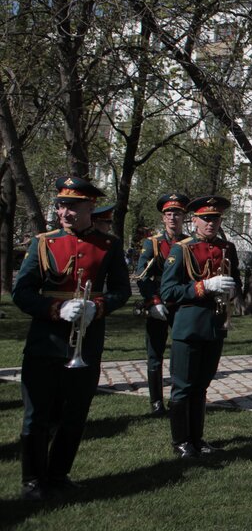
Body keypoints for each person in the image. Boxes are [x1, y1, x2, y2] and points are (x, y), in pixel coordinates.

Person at [14, 176, 131, 501]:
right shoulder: (43, 243)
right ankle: (33, 480)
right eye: (61, 204)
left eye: (73, 206)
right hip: (45, 341)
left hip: (86, 341)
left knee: (74, 414)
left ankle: (59, 474)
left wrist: (97, 307)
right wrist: (55, 308)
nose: (64, 211)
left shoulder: (108, 245)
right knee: (36, 415)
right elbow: (21, 293)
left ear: (90, 207)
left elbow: (122, 290)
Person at [160, 195, 241, 458]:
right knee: (183, 386)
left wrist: (231, 289)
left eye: (215, 218)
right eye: (206, 218)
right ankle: (181, 441)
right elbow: (169, 291)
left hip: (215, 325)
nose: (211, 223)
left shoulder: (228, 248)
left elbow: (236, 281)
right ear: (194, 220)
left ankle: (197, 438)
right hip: (189, 326)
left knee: (202, 386)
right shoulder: (182, 249)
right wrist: (203, 286)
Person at [134, 192, 190, 417]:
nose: (173, 217)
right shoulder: (153, 243)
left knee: (180, 352)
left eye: (177, 213)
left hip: (179, 303)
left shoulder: (188, 243)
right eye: (169, 213)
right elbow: (142, 275)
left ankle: (178, 397)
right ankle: (156, 401)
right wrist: (153, 301)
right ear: (163, 218)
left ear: (183, 217)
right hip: (158, 303)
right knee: (155, 354)